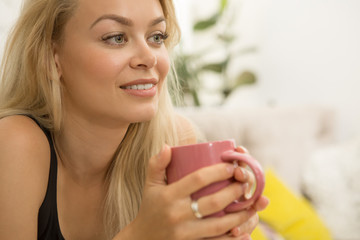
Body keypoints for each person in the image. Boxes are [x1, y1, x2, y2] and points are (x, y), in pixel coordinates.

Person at [0, 0, 269, 239]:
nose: (149, 57)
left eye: (156, 37)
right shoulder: (15, 143)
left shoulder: (173, 140)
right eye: (116, 38)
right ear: (51, 58)